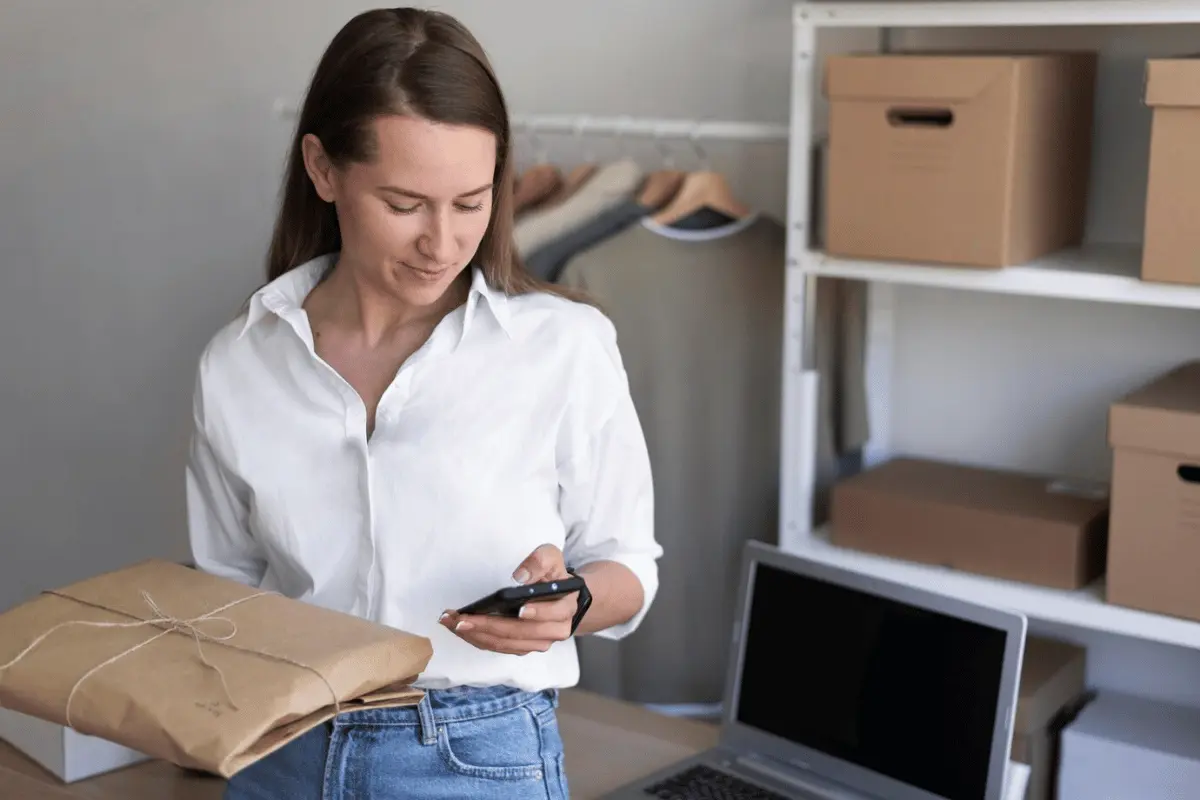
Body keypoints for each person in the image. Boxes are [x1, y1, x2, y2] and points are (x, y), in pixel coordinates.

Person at [185, 8, 661, 799]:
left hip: (474, 756)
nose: (441, 242)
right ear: (324, 168)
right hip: (278, 747)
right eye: (405, 205)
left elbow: (630, 565)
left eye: (471, 203)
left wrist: (571, 604)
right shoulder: (240, 363)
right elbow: (224, 589)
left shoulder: (564, 348)